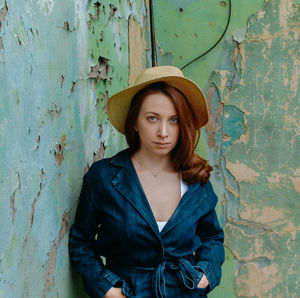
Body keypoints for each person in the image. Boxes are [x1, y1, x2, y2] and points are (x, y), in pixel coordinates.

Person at [68, 66, 225, 298]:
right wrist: (108, 289)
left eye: (174, 120)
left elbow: (212, 236)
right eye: (152, 118)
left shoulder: (196, 178)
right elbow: (81, 242)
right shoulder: (105, 177)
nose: (163, 132)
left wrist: (205, 275)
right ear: (134, 122)